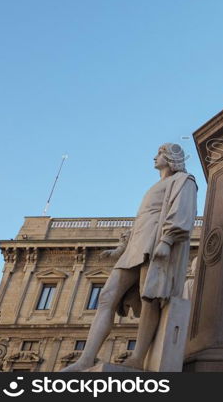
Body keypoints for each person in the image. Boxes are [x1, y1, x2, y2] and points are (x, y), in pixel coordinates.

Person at [62, 143, 197, 371]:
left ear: (170, 158)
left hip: (155, 243)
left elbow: (183, 210)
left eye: (159, 153)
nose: (154, 157)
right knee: (107, 297)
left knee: (150, 299)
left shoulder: (184, 181)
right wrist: (120, 248)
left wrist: (167, 241)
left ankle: (139, 357)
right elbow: (140, 220)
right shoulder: (157, 185)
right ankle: (86, 358)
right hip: (136, 246)